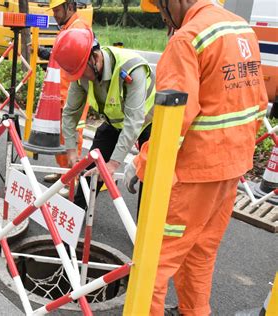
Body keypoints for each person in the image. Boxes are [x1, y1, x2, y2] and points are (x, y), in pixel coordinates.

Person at [125, 0, 269, 314]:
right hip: (231, 169)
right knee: (199, 255)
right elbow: (258, 102)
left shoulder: (187, 39)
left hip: (193, 174)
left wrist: (142, 166)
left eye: (161, 10)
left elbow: (173, 120)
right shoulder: (241, 29)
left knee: (154, 263)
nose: (165, 19)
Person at [51, 28, 156, 210]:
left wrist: (113, 163)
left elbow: (134, 121)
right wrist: (70, 149)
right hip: (113, 122)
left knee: (148, 174)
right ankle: (76, 215)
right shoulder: (81, 74)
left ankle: (143, 234)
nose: (80, 78)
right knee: (91, 167)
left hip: (148, 123)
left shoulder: (132, 68)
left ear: (95, 58)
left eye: (82, 72)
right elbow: (70, 113)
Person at [37, 0, 92, 193]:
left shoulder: (78, 28)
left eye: (58, 10)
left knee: (72, 136)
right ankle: (62, 172)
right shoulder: (69, 27)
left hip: (74, 93)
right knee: (61, 136)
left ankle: (72, 178)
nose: (55, 15)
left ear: (70, 7)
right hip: (62, 92)